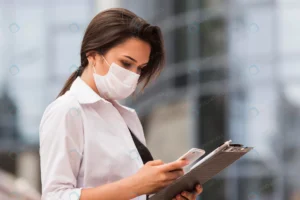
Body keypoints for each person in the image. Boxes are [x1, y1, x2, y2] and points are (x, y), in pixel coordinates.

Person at [39, 8, 203, 200]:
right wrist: (136, 185)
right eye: (126, 63)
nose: (134, 75)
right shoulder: (67, 111)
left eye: (140, 68)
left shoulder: (128, 118)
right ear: (92, 56)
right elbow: (54, 196)